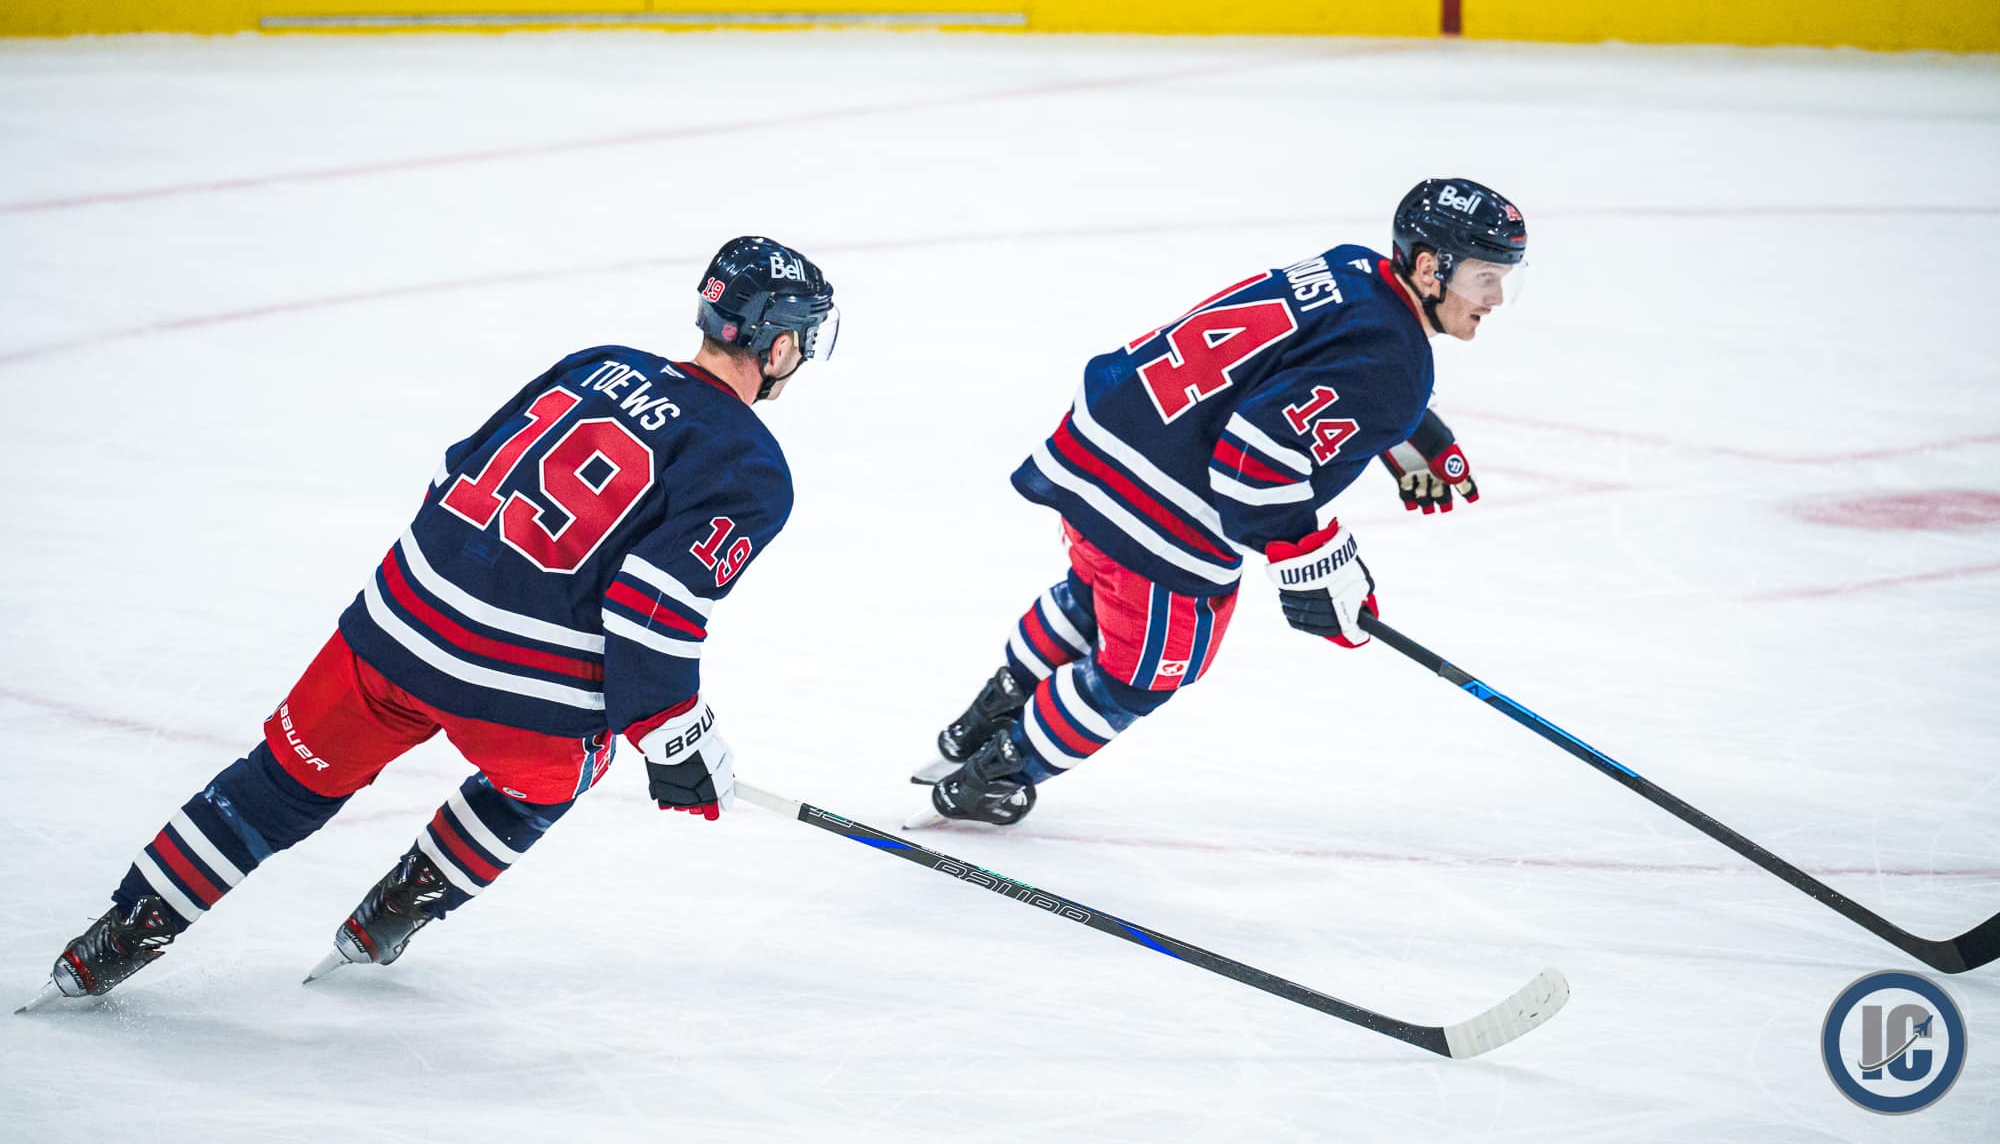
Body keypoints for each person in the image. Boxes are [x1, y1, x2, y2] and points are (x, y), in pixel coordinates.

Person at [27, 236, 837, 1005]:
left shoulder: (597, 362)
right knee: (552, 780)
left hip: (391, 631)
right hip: (519, 705)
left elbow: (459, 467)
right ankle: (397, 909)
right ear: (774, 346)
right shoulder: (751, 465)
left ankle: (116, 937)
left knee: (279, 782)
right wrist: (677, 740)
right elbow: (649, 613)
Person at [921, 179, 1522, 825]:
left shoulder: (1354, 265)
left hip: (1106, 439)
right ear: (1430, 268)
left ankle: (993, 708)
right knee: (1144, 669)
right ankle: (996, 774)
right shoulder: (1396, 369)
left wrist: (1411, 429)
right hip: (1157, 504)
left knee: (1094, 595)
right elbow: (1251, 461)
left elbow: (1307, 360)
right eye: (1485, 277)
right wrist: (1315, 562)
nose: (1495, 299)